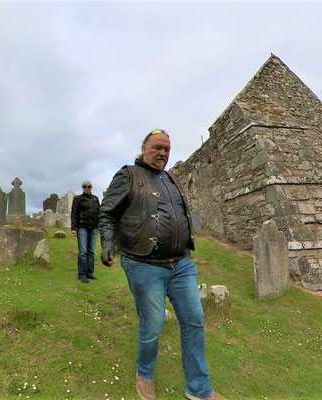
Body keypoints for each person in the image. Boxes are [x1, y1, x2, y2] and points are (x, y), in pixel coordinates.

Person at [98, 129, 225, 400]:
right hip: (144, 263)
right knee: (153, 324)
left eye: (167, 149)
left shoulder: (170, 179)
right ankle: (144, 374)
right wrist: (107, 244)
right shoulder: (129, 174)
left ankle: (199, 389)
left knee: (194, 320)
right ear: (144, 148)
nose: (163, 154)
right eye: (157, 148)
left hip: (180, 263)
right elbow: (107, 212)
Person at [71, 180, 101, 283]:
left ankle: (90, 273)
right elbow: (74, 213)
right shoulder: (78, 199)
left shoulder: (95, 199)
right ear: (82, 188)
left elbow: (99, 212)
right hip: (82, 227)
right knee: (83, 251)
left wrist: (100, 225)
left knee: (91, 251)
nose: (86, 188)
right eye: (84, 187)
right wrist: (73, 228)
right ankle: (82, 274)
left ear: (91, 187)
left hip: (93, 227)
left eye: (88, 186)